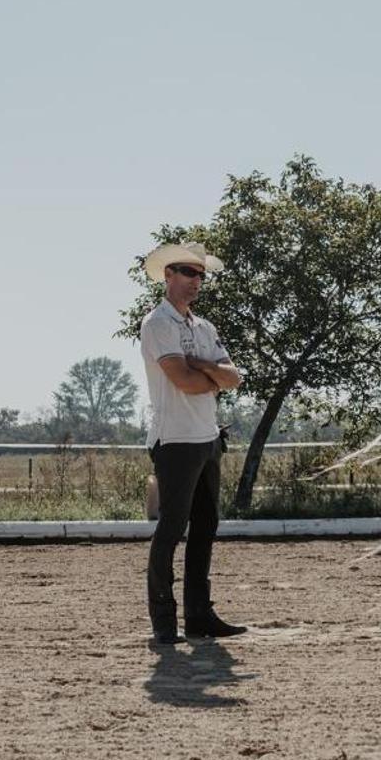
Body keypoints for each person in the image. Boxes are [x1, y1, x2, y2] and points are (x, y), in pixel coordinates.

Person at [137, 241, 248, 643]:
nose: (196, 281)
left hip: (206, 437)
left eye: (200, 274)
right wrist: (210, 375)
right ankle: (164, 620)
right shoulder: (157, 324)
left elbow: (233, 379)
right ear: (168, 275)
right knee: (171, 528)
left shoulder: (203, 328)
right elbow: (182, 382)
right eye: (187, 272)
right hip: (175, 440)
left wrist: (202, 367)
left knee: (205, 526)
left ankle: (199, 615)